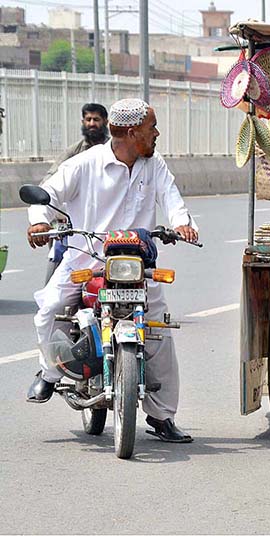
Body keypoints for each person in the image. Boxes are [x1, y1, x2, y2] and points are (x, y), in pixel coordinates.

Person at [25, 98, 198, 443]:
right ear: (133, 132)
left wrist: (182, 225)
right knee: (49, 311)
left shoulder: (154, 165)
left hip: (136, 263)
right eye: (152, 128)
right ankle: (47, 372)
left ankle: (162, 417)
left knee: (160, 333)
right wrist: (39, 223)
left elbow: (172, 199)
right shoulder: (85, 164)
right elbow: (47, 195)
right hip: (85, 259)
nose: (157, 134)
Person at [43, 103, 111, 282]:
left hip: (109, 219)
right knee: (53, 299)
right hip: (77, 220)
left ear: (105, 121)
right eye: (88, 119)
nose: (91, 123)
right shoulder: (74, 152)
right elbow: (50, 182)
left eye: (96, 119)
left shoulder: (115, 150)